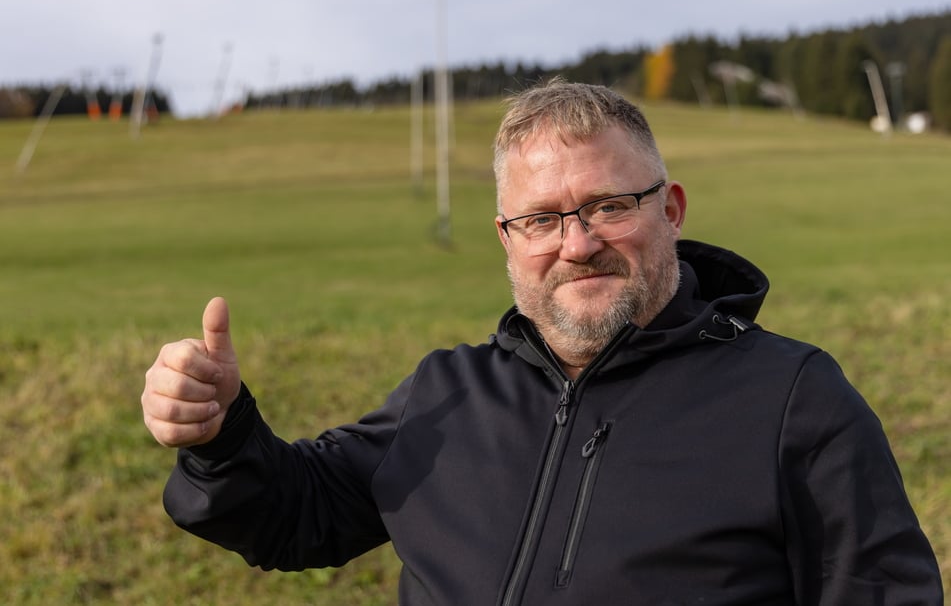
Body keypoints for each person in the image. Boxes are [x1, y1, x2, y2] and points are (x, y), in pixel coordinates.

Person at [142, 78, 943, 604]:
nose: (576, 242)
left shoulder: (793, 401)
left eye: (608, 205)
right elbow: (295, 516)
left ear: (670, 210)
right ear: (505, 237)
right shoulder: (448, 394)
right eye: (541, 219)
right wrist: (221, 437)